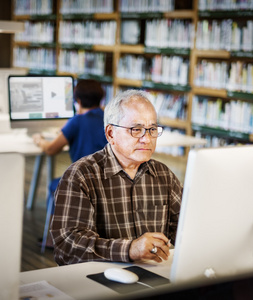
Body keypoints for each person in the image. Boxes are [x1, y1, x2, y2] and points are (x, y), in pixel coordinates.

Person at [50, 89, 183, 265]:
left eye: (151, 129)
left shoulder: (164, 175)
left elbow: (184, 230)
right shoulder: (81, 176)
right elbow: (67, 246)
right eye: (136, 129)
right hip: (99, 282)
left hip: (153, 277)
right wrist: (130, 249)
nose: (147, 138)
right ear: (111, 134)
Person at [33, 79, 108, 247]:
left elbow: (51, 149)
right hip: (108, 180)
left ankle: (52, 240)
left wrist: (39, 140)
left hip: (83, 181)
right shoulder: (107, 118)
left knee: (55, 186)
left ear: (78, 101)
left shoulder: (77, 121)